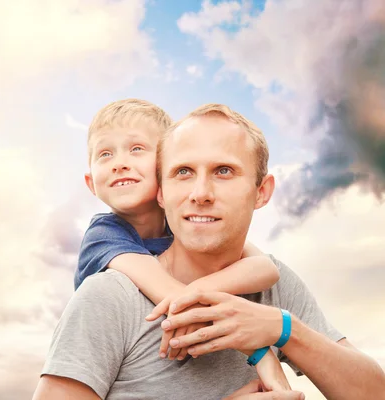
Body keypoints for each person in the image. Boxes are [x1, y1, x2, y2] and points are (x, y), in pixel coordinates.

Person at [34, 103, 385, 399]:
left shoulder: (277, 290)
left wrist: (284, 330)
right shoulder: (110, 295)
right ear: (162, 190)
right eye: (183, 172)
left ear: (261, 192)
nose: (201, 192)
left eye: (224, 171)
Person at [70, 98, 288, 388]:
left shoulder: (186, 226)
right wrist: (262, 352)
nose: (120, 164)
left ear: (165, 167)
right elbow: (175, 299)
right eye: (105, 154)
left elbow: (265, 270)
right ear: (90, 182)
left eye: (136, 149)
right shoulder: (105, 235)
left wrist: (201, 289)